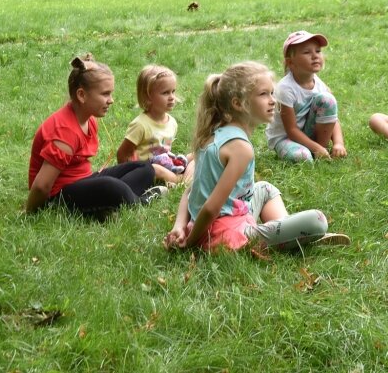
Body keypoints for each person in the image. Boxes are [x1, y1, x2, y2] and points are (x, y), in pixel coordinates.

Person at [164, 62, 349, 252]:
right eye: (263, 94)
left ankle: (288, 232)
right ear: (238, 103)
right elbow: (211, 207)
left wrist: (179, 227)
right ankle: (291, 237)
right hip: (223, 235)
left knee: (265, 189)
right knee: (317, 220)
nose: (272, 100)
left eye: (272, 93)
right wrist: (191, 242)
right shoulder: (240, 148)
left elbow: (191, 191)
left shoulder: (213, 134)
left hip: (208, 224)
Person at [26, 54, 159, 221]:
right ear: (82, 95)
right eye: (105, 94)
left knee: (144, 168)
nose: (111, 100)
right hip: (58, 197)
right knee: (111, 186)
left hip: (83, 182)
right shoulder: (65, 132)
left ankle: (106, 206)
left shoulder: (89, 120)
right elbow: (41, 186)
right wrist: (28, 214)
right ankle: (139, 201)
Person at [265, 30, 346, 162]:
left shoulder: (320, 84)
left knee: (328, 99)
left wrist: (338, 143)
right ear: (291, 63)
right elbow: (291, 130)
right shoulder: (285, 89)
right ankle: (316, 150)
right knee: (303, 158)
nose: (315, 56)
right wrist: (314, 147)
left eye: (318, 51)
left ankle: (321, 150)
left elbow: (333, 118)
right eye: (307, 52)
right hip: (286, 138)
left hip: (308, 132)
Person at [116, 65, 192, 186]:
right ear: (148, 96)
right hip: (147, 171)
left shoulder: (172, 122)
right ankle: (181, 180)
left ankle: (180, 176)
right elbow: (122, 153)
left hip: (166, 164)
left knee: (197, 154)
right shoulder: (140, 125)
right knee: (156, 168)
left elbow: (166, 151)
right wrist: (128, 177)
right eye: (165, 93)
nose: (172, 97)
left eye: (173, 91)